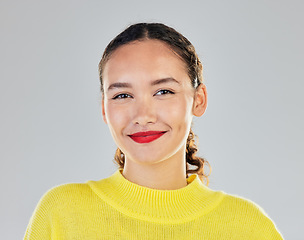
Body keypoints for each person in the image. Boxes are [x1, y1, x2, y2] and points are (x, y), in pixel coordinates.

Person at [24, 23, 283, 239]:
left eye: (163, 92)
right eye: (123, 95)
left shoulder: (249, 227)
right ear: (104, 108)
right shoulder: (61, 214)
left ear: (199, 99)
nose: (143, 116)